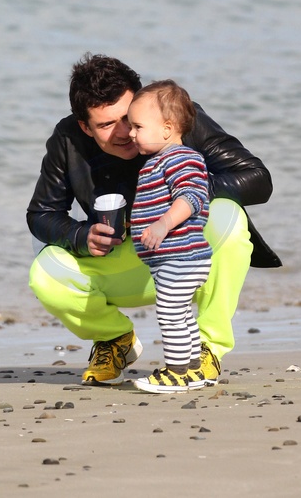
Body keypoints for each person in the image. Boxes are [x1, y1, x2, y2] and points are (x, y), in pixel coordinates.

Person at [26, 53, 281, 387]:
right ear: (85, 127)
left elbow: (258, 179)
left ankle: (208, 349)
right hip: (125, 263)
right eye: (106, 125)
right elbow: (41, 214)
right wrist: (81, 236)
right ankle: (114, 338)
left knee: (229, 216)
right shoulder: (67, 138)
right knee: (44, 272)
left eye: (130, 119)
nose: (125, 133)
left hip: (186, 258)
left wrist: (183, 196)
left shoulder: (175, 117)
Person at [128, 80, 212, 393]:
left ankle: (176, 372)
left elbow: (192, 196)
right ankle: (193, 370)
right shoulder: (159, 161)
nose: (131, 133)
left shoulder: (181, 157)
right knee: (183, 314)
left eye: (137, 127)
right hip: (174, 260)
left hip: (182, 257)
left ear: (167, 128)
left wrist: (163, 225)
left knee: (170, 313)